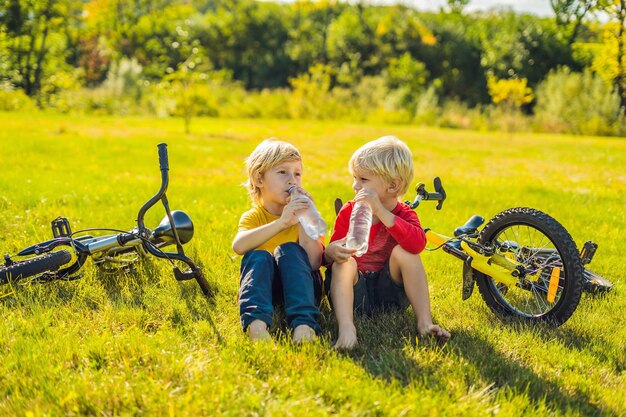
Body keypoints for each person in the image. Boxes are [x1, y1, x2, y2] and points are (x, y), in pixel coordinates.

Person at [323, 136, 450, 350]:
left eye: (363, 179)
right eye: (355, 178)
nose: (355, 185)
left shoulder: (404, 214)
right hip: (355, 294)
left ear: (393, 185)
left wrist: (381, 212)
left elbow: (417, 245)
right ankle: (347, 329)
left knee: (406, 252)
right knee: (344, 263)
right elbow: (329, 260)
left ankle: (424, 322)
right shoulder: (349, 210)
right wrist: (332, 251)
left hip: (389, 295)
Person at [232, 138, 323, 343]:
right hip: (265, 291)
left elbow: (316, 262)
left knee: (289, 250)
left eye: (297, 174)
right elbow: (238, 246)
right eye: (282, 172)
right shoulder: (253, 217)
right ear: (259, 179)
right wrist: (282, 223)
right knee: (258, 256)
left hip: (304, 288)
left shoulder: (305, 216)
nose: (292, 180)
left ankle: (304, 324)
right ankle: (256, 324)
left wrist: (304, 219)